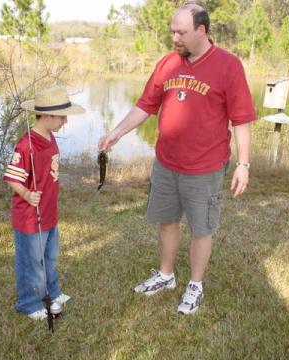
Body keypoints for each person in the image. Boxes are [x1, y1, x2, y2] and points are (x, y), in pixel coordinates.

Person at [98, 2, 257, 315]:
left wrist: (244, 163)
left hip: (205, 168)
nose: (175, 37)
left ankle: (195, 285)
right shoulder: (168, 63)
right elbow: (145, 105)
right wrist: (116, 132)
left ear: (202, 30)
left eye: (181, 32)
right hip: (167, 163)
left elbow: (241, 119)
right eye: (172, 31)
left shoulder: (228, 66)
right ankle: (166, 275)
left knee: (201, 229)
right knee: (167, 222)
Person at [3, 86, 85, 320]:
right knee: (32, 262)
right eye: (62, 116)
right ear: (47, 116)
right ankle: (29, 303)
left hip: (49, 213)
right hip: (30, 218)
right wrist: (27, 194)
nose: (65, 121)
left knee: (49, 257)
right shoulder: (26, 144)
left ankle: (52, 292)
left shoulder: (50, 137)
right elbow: (13, 177)